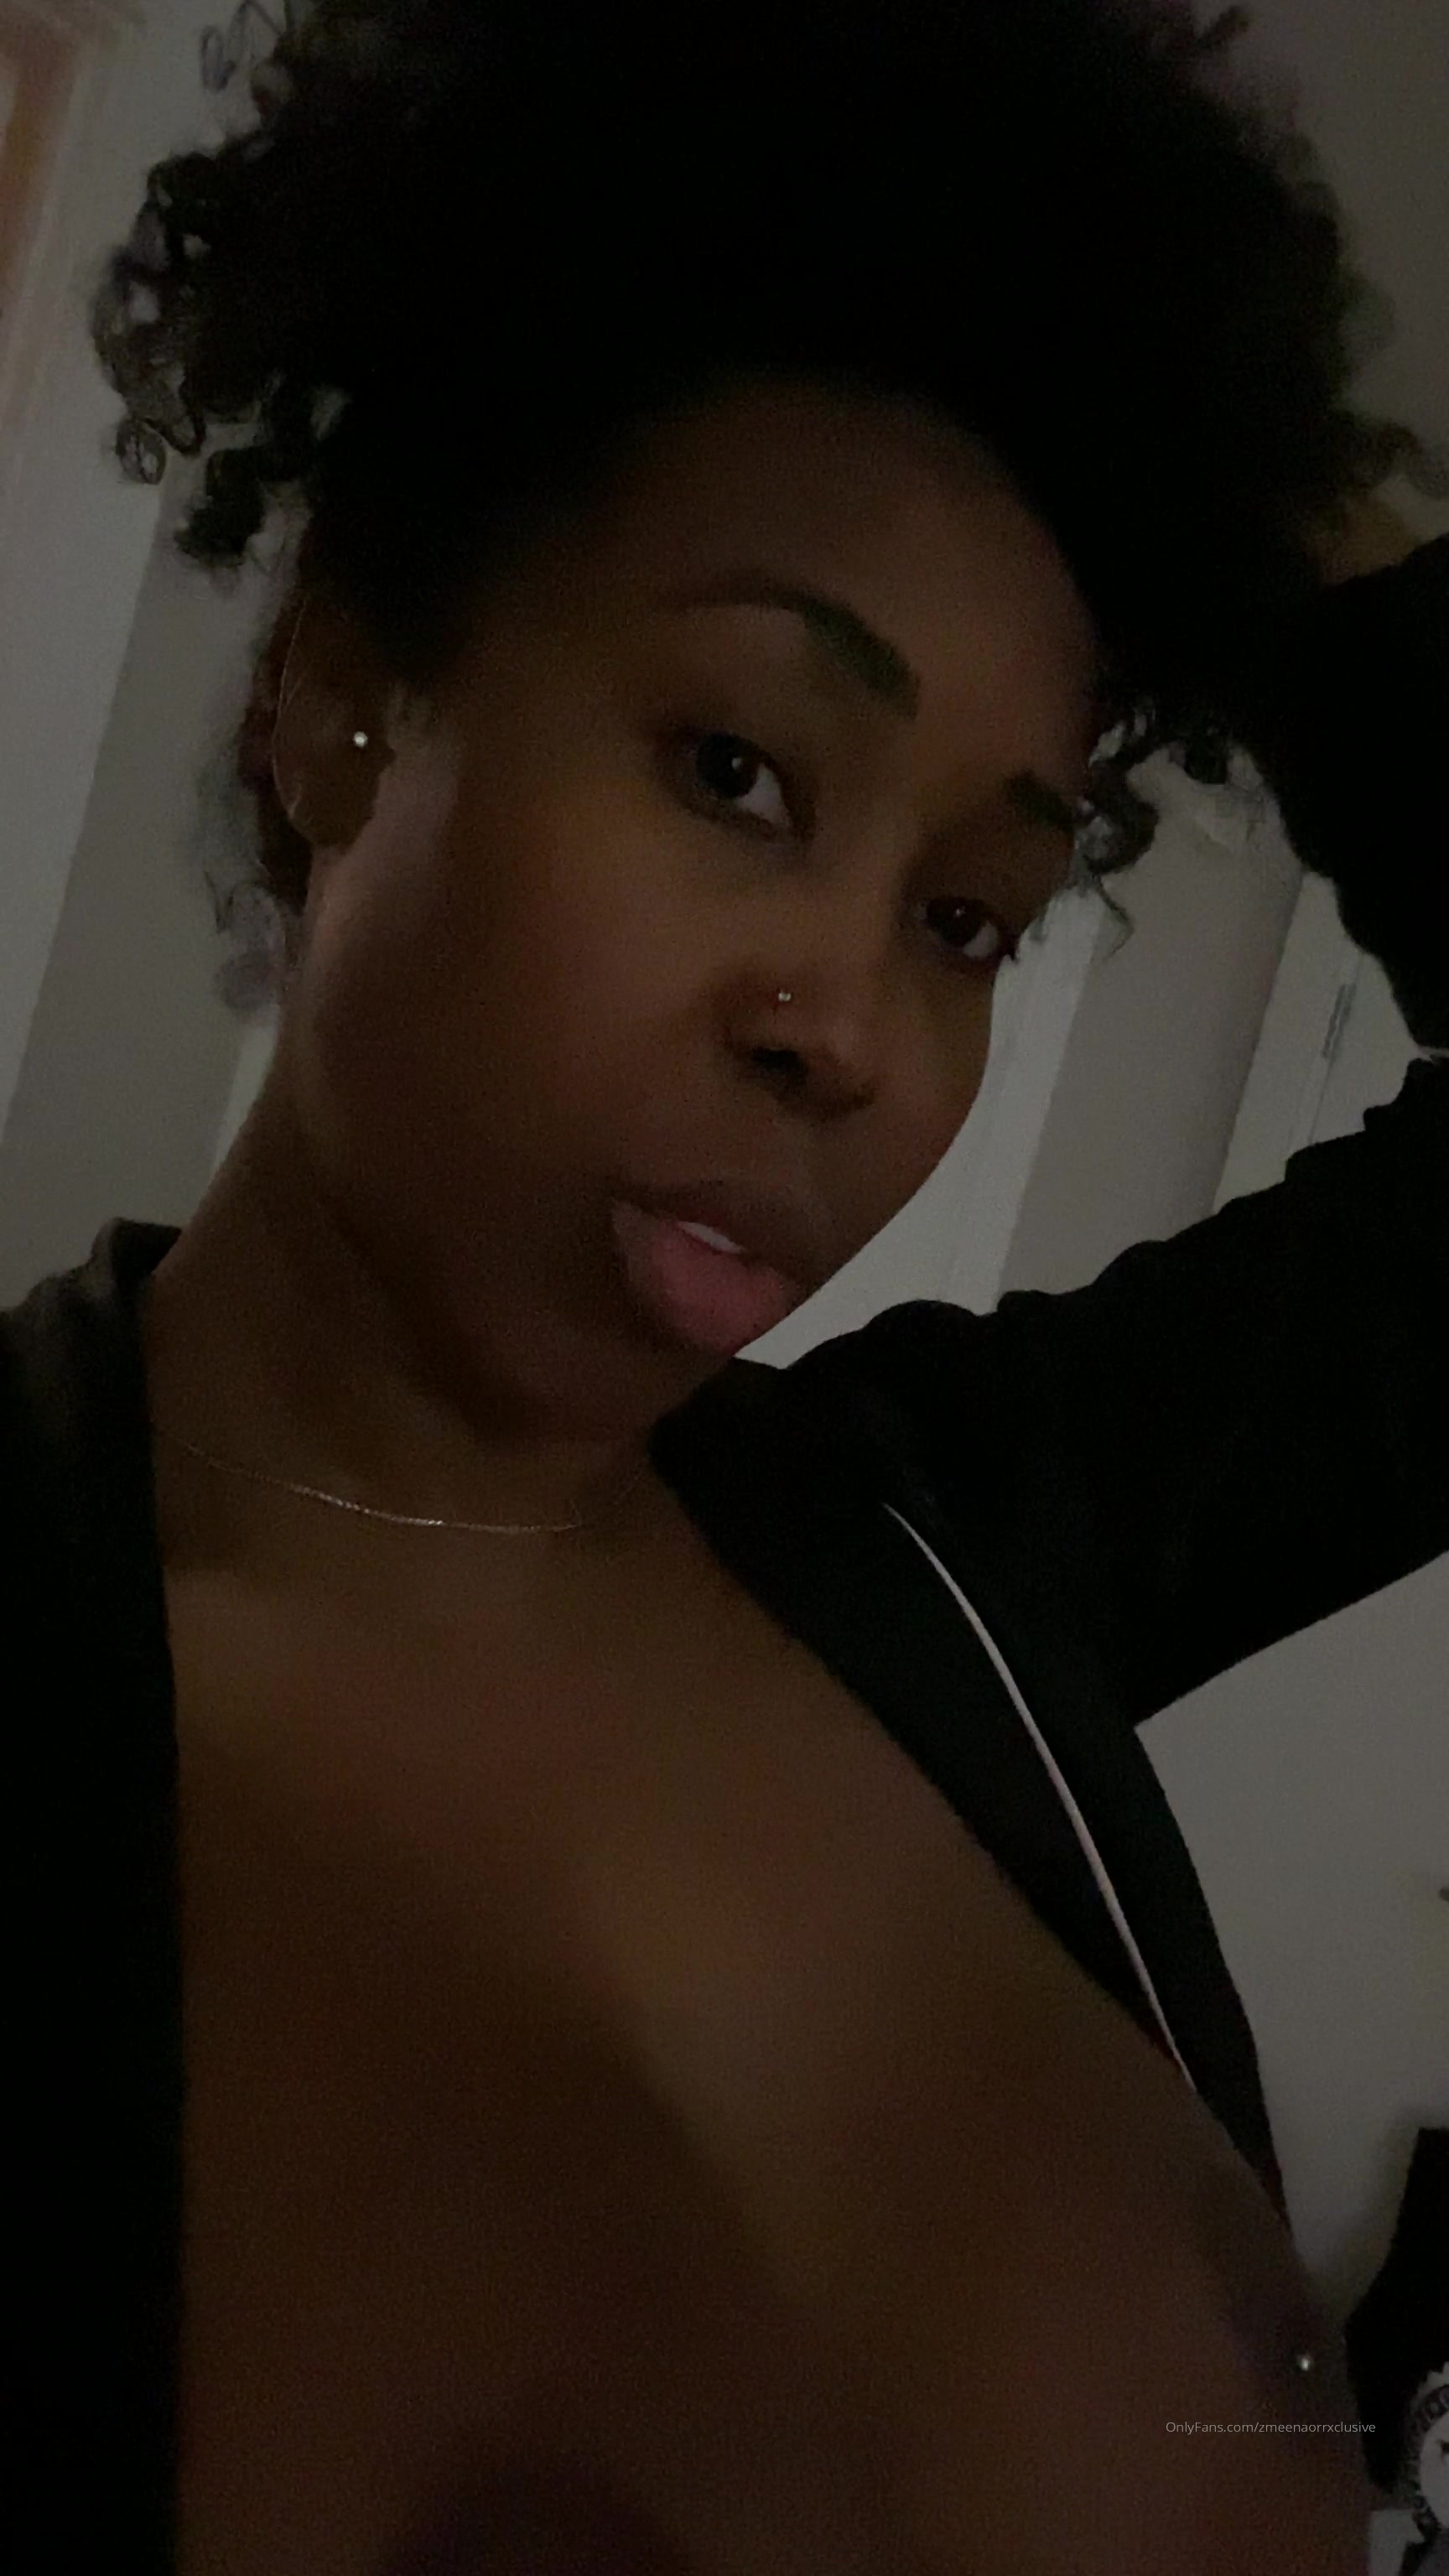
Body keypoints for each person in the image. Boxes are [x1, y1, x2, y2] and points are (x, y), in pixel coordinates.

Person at [6, 0, 1447, 2568]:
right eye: (737, 769)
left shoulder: (965, 1554)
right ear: (336, 701)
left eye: (969, 915)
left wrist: (1235, 499)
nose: (848, 1027)